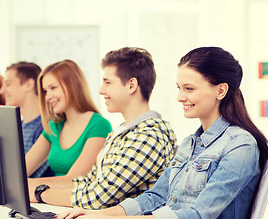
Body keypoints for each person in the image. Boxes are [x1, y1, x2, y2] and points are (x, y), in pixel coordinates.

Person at [56, 47, 268, 219]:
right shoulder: (190, 143)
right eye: (179, 87)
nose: (179, 97)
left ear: (221, 90)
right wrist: (97, 215)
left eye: (189, 89)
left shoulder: (240, 146)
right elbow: (156, 196)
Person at [29, 47, 177, 210]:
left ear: (131, 85)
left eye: (108, 82)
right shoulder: (120, 133)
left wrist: (40, 193)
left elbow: (98, 196)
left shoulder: (149, 136)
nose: (101, 90)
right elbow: (88, 181)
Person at [25, 59, 112, 186]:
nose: (47, 97)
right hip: (50, 201)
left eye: (53, 88)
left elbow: (74, 180)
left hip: (75, 203)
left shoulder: (99, 125)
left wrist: (25, 184)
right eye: (45, 91)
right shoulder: (54, 126)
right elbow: (22, 170)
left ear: (72, 85)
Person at [0, 61, 54, 178]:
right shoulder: (20, 127)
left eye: (8, 84)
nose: (1, 91)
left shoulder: (47, 126)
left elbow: (22, 176)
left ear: (28, 84)